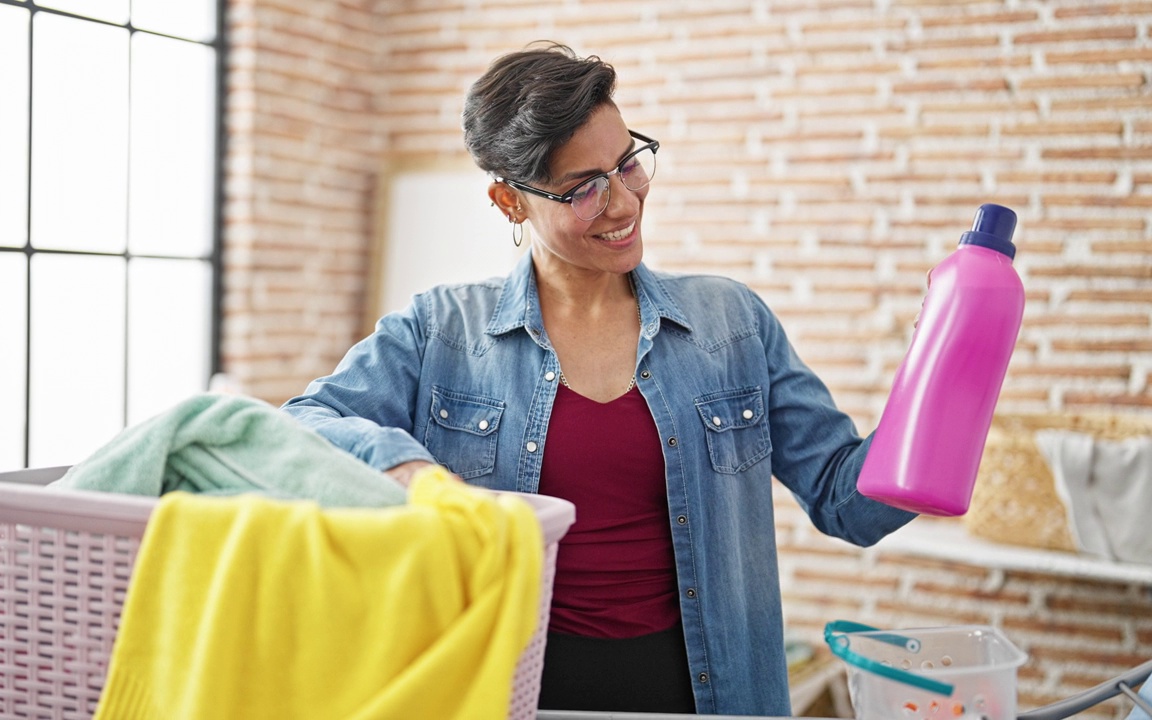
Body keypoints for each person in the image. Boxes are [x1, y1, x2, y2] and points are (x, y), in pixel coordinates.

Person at [282, 41, 917, 716]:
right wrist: (404, 467)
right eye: (584, 188)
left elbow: (848, 503)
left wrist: (938, 401)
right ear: (509, 202)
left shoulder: (730, 323)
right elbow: (299, 426)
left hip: (709, 694)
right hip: (508, 691)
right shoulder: (439, 331)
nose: (622, 203)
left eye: (628, 165)